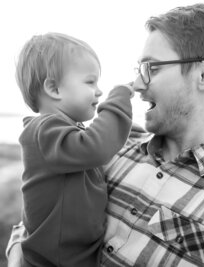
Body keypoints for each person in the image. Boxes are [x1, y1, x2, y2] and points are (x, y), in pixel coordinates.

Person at [7, 4, 204, 266]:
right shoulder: (112, 150)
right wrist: (17, 253)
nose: (137, 83)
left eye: (151, 68)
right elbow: (39, 210)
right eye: (139, 69)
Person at [14, 32, 134, 267]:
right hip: (57, 259)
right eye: (90, 82)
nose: (99, 91)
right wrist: (118, 100)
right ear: (54, 88)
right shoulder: (45, 130)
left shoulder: (61, 131)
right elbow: (95, 147)